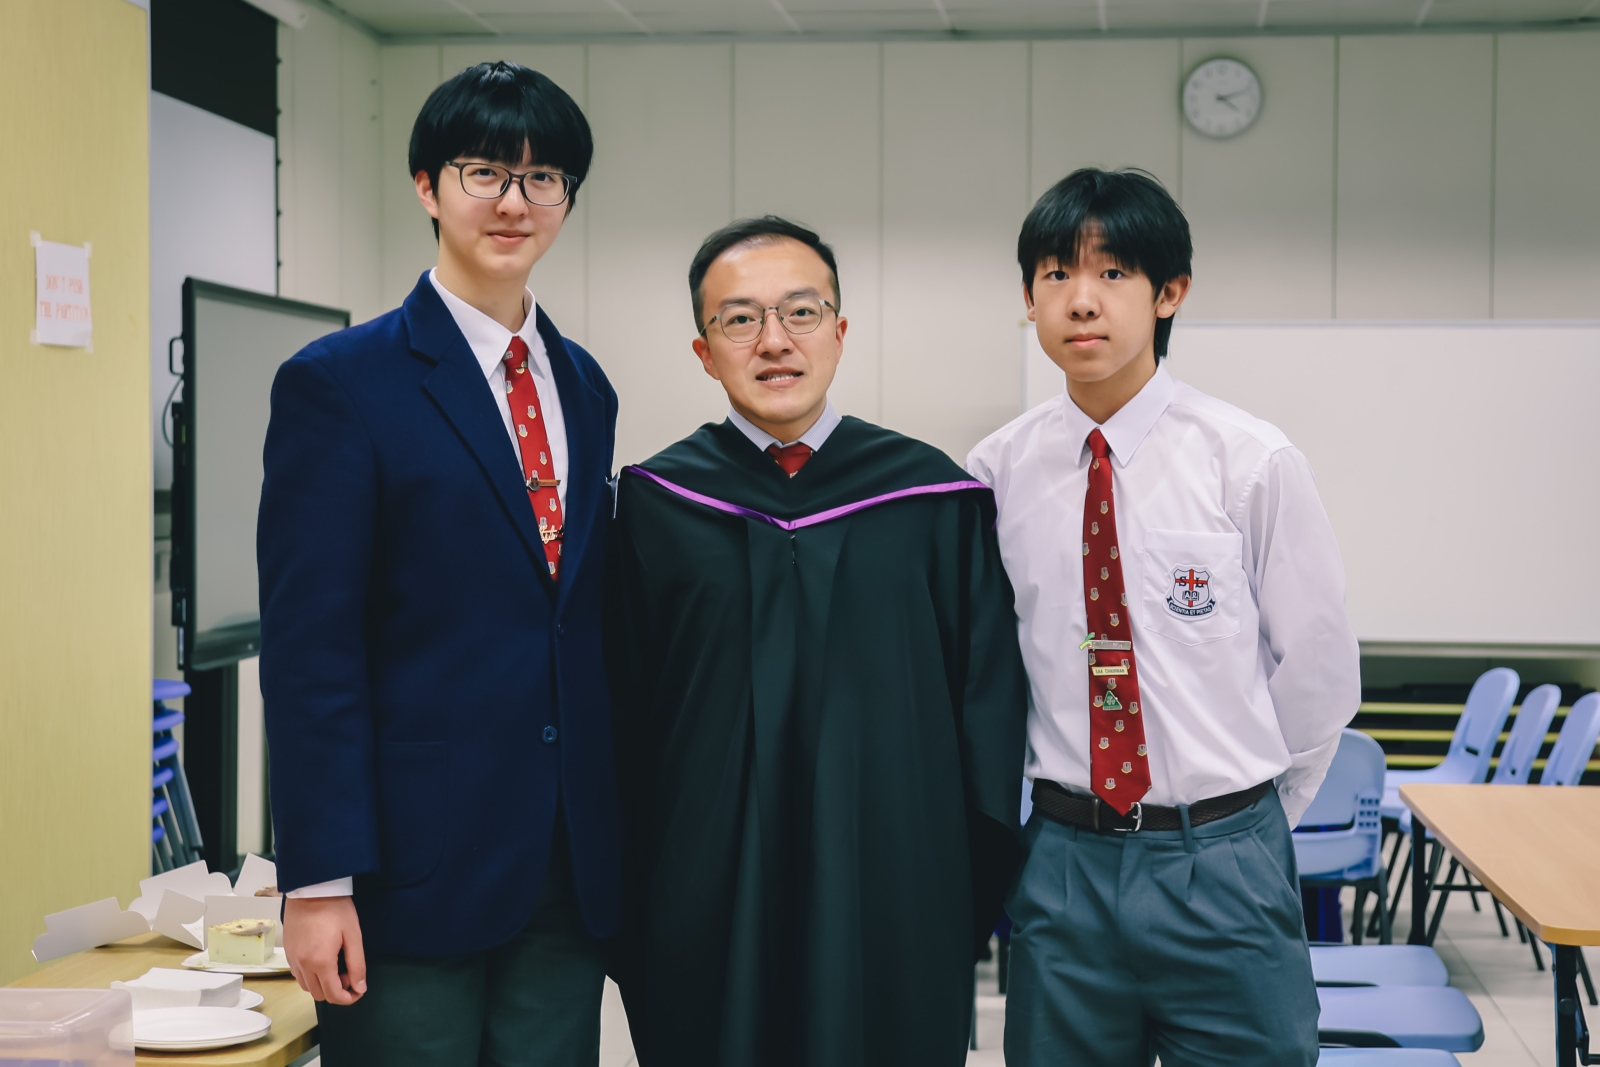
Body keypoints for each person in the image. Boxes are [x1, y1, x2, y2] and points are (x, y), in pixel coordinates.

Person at [259, 61, 620, 1067]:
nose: (514, 201)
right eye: (484, 172)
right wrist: (318, 879)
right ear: (426, 185)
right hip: (407, 865)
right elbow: (311, 646)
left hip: (562, 865)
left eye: (543, 177)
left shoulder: (584, 384)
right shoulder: (340, 382)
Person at [605, 216, 1028, 1067]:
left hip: (893, 882)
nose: (774, 340)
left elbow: (987, 707)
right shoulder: (655, 504)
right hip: (708, 888)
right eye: (740, 319)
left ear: (839, 331)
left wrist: (960, 882)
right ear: (704, 351)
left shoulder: (932, 500)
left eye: (801, 312)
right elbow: (618, 711)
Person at [966, 168, 1360, 1067]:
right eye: (1056, 273)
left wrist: (1239, 820)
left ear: (1170, 292)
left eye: (1112, 272)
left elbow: (1317, 671)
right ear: (1028, 299)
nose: (1082, 299)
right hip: (1064, 862)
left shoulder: (1248, 461)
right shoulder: (993, 475)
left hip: (1221, 859)